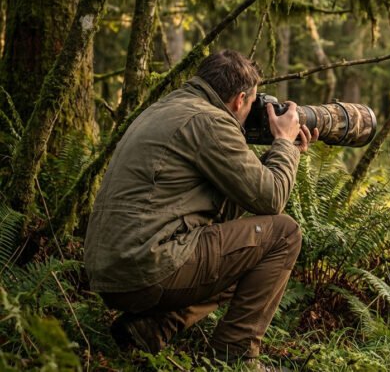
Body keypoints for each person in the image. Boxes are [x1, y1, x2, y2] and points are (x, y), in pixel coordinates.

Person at [84, 49, 317, 367]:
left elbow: (243, 192)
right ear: (238, 100)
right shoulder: (209, 122)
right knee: (283, 234)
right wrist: (284, 144)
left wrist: (281, 152)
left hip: (114, 269)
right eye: (251, 106)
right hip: (147, 268)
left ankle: (149, 329)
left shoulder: (169, 107)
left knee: (245, 249)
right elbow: (271, 198)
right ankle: (236, 352)